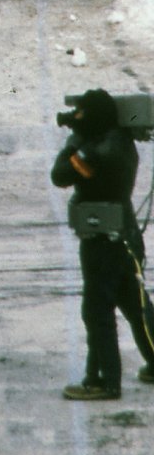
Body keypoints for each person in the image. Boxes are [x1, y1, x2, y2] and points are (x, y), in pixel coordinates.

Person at [51, 88, 154, 400]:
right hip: (122, 238)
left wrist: (74, 140)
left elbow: (60, 175)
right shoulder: (117, 142)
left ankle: (103, 381)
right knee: (136, 306)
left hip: (104, 242)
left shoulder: (99, 151)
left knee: (97, 310)